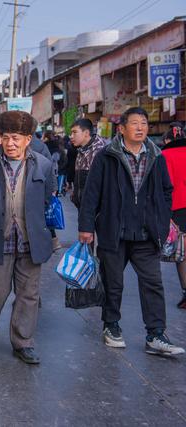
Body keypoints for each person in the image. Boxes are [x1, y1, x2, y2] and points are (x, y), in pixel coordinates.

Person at [78, 107, 184, 356]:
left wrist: (162, 219)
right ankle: (111, 325)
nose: (140, 128)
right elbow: (91, 193)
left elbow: (166, 191)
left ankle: (156, 334)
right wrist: (86, 227)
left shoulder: (157, 156)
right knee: (113, 284)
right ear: (122, 128)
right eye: (135, 123)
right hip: (114, 231)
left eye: (144, 123)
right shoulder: (107, 156)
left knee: (153, 283)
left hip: (146, 233)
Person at [0, 111, 55, 365]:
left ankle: (23, 343)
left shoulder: (43, 164)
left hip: (31, 240)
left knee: (29, 294)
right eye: (5, 137)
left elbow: (48, 196)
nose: (10, 143)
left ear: (28, 139)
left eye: (16, 138)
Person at [161, 124, 186, 309]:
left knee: (183, 254)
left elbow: (165, 187)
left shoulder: (165, 156)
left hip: (178, 208)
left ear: (167, 141)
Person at [69, 119, 108, 210]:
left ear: (86, 133)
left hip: (96, 210)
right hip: (84, 207)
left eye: (75, 132)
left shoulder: (99, 151)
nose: (71, 136)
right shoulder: (82, 149)